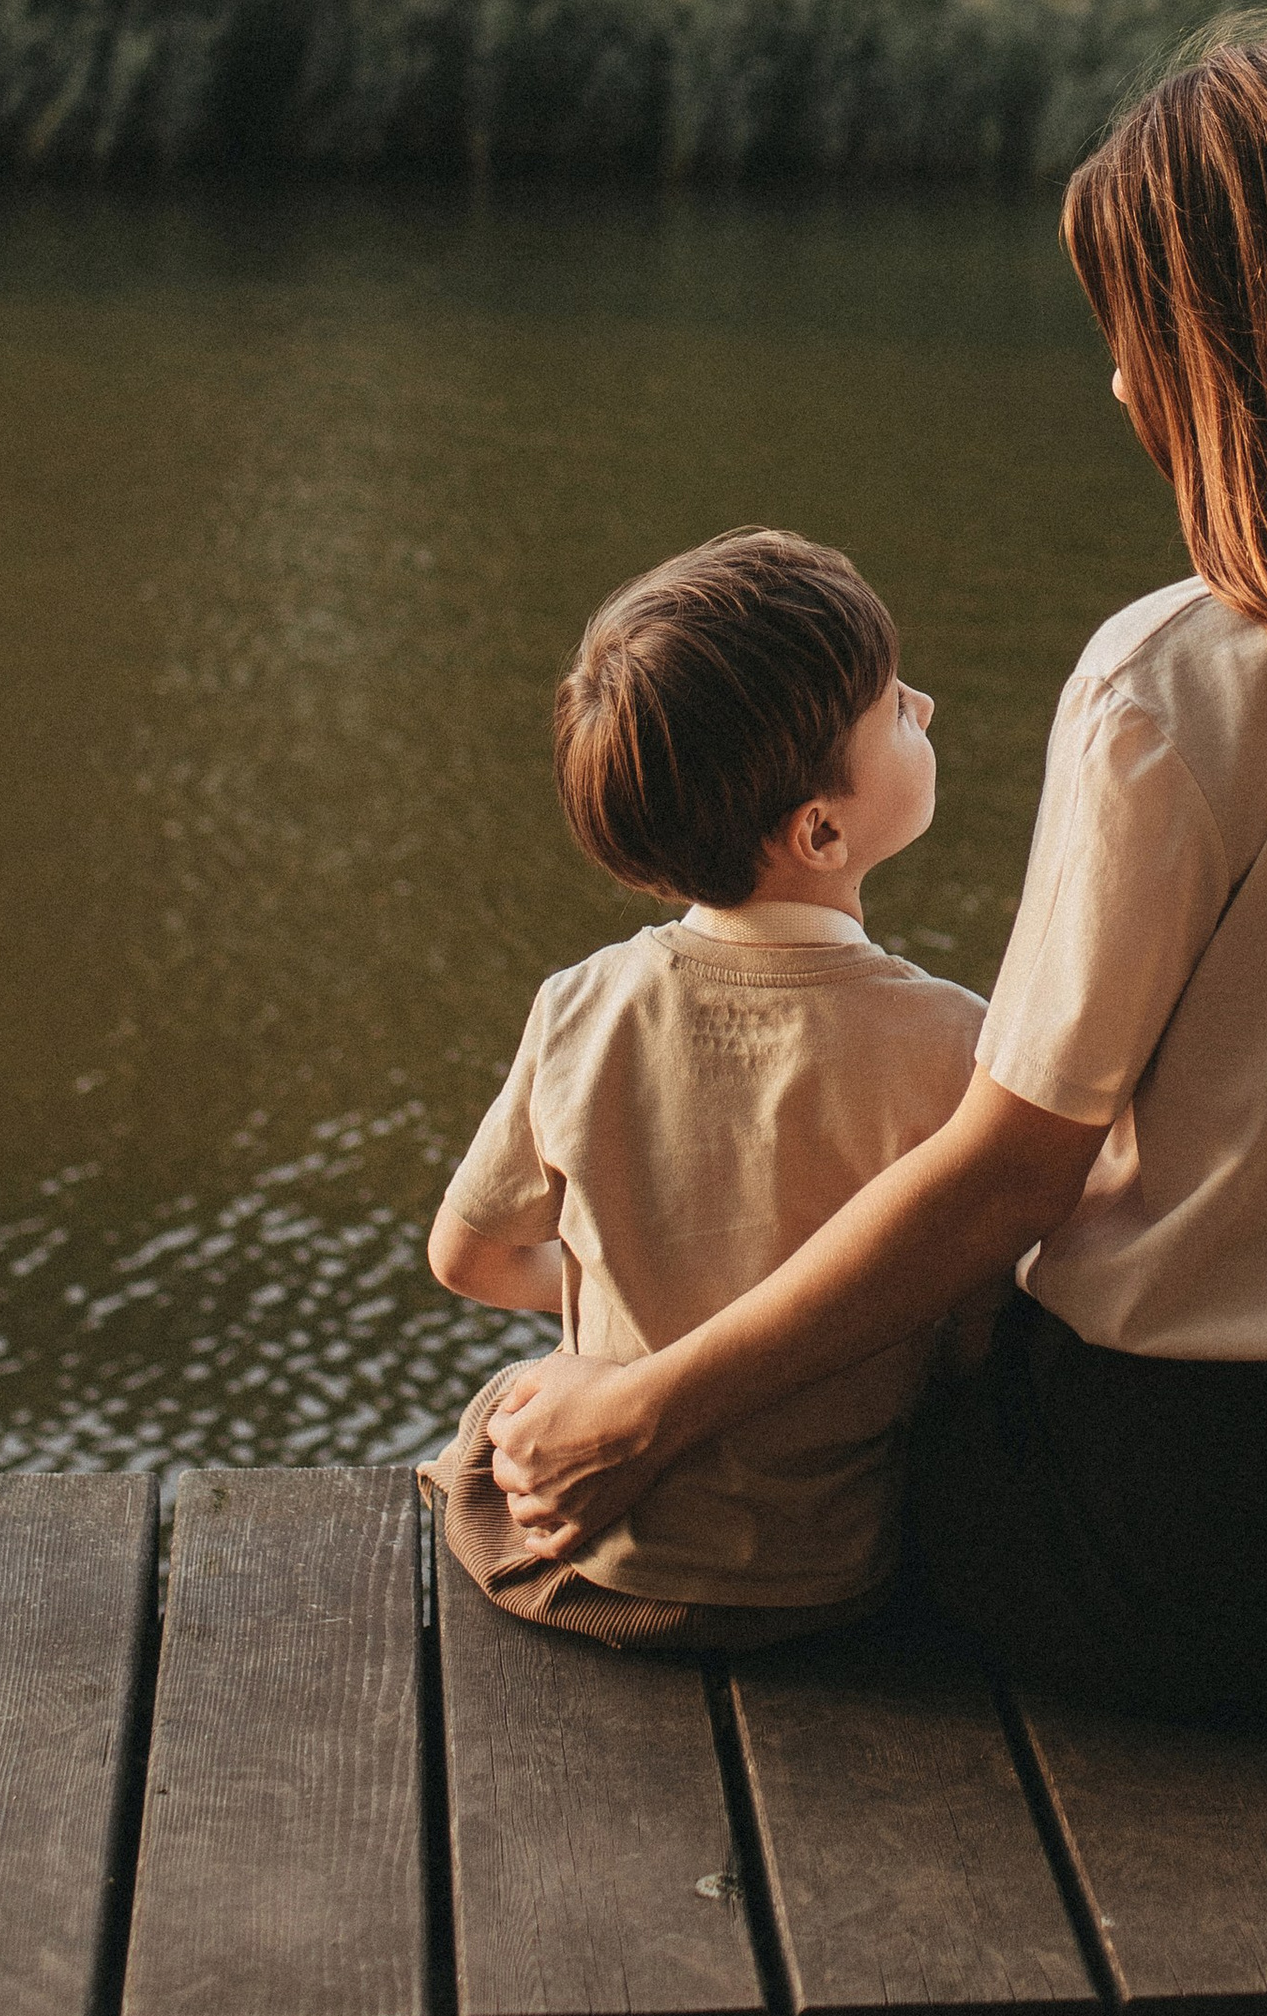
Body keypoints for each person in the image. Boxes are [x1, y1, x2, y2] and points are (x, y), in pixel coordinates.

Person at [488, 17, 1267, 1718]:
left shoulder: (1172, 684)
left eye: (1144, 338)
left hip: (1193, 1540)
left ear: (1251, 361)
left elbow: (1012, 1174)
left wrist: (647, 1407)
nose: (1126, 386)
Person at [421, 529, 987, 1649]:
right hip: (824, 1574)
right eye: (892, 710)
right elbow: (968, 1321)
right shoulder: (955, 1040)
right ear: (819, 829)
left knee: (512, 1401)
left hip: (589, 1560)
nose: (923, 702)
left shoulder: (584, 1004)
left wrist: (632, 1315)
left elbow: (467, 1257)